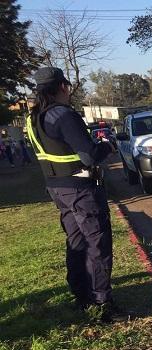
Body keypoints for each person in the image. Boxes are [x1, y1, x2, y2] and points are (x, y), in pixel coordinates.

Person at [26, 67, 118, 321]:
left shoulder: (33, 118)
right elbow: (88, 155)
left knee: (76, 241)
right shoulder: (64, 115)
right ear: (63, 87)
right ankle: (102, 301)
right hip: (80, 189)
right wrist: (107, 146)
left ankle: (81, 294)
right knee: (97, 244)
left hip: (57, 189)